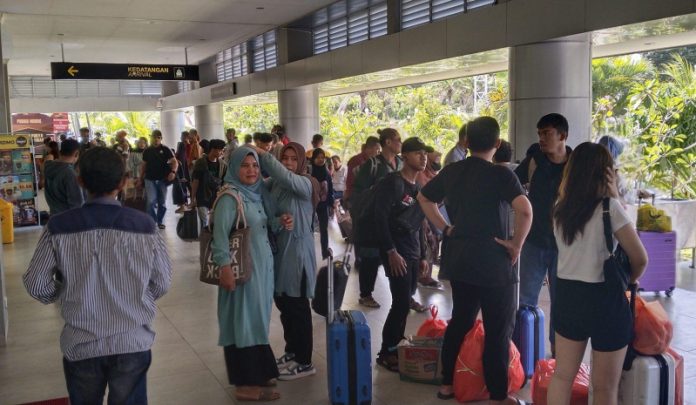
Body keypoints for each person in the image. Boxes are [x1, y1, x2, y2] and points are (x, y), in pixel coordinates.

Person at [24, 147, 172, 405]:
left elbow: (36, 285)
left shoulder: (58, 226)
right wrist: (135, 295)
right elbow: (162, 282)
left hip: (81, 344)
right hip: (132, 342)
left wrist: (64, 292)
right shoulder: (145, 226)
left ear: (80, 181)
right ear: (123, 181)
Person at [418, 116, 533, 404]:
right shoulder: (502, 175)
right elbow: (526, 211)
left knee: (460, 320)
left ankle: (447, 384)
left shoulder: (452, 171)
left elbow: (424, 198)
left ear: (466, 142)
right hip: (494, 261)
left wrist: (444, 227)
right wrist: (516, 244)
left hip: (459, 258)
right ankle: (497, 395)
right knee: (497, 330)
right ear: (497, 144)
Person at [548, 142, 647, 405]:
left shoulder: (560, 207)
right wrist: (631, 279)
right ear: (604, 172)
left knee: (562, 377)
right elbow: (640, 258)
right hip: (605, 300)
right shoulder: (610, 208)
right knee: (604, 388)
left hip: (568, 297)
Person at [212, 146, 292, 401]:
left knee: (256, 321)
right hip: (240, 273)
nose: (252, 170)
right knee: (243, 323)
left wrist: (282, 222)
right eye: (245, 165)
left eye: (255, 165)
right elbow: (219, 237)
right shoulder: (229, 196)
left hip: (260, 270)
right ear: (234, 168)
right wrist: (224, 268)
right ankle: (246, 384)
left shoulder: (257, 195)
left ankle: (260, 373)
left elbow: (266, 225)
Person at [253, 142, 321, 381]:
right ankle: (292, 353)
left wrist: (264, 155)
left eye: (293, 159)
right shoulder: (277, 184)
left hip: (298, 256)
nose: (289, 163)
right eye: (285, 159)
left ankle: (304, 361)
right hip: (279, 254)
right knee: (284, 306)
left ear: (301, 162)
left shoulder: (305, 183)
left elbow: (284, 177)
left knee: (298, 307)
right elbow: (257, 189)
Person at [513, 113, 573, 355]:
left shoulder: (576, 164)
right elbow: (510, 185)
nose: (541, 138)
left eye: (547, 133)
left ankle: (558, 352)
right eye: (539, 133)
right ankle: (521, 352)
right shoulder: (534, 161)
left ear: (563, 136)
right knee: (525, 299)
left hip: (565, 245)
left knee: (562, 303)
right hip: (534, 242)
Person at [374, 137, 429, 371]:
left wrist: (425, 255)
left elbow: (420, 224)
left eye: (424, 153)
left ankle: (395, 345)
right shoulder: (392, 183)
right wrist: (390, 252)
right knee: (400, 302)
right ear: (404, 156)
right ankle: (387, 351)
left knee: (404, 301)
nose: (423, 157)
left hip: (414, 252)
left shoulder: (417, 187)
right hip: (397, 253)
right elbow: (379, 219)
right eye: (418, 153)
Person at [353, 128, 411, 310]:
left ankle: (405, 295)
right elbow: (358, 192)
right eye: (398, 139)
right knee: (370, 257)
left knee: (393, 256)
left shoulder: (401, 162)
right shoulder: (372, 164)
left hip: (394, 221)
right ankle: (366, 294)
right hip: (372, 219)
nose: (400, 143)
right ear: (388, 142)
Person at [416, 146, 444, 289]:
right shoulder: (421, 175)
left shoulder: (434, 174)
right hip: (423, 214)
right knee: (428, 242)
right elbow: (425, 197)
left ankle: (427, 275)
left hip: (434, 212)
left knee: (434, 241)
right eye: (435, 159)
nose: (437, 163)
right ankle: (423, 275)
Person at [139, 130, 178, 229]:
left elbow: (175, 162)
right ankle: (151, 221)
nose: (156, 139)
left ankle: (160, 221)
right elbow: (143, 165)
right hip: (149, 179)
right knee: (151, 201)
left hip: (162, 180)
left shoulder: (165, 149)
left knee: (162, 203)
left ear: (161, 139)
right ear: (151, 138)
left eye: (158, 137)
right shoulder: (147, 151)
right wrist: (140, 178)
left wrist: (173, 172)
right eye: (154, 137)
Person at [190, 139, 227, 228]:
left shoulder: (223, 164)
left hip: (217, 197)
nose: (221, 152)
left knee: (215, 222)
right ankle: (204, 239)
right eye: (219, 150)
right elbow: (196, 181)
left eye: (222, 150)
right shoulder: (201, 163)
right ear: (212, 149)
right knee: (204, 222)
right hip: (202, 196)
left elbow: (224, 182)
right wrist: (193, 198)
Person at [44, 139, 84, 215]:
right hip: (67, 219)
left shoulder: (48, 166)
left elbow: (48, 160)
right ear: (76, 153)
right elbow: (77, 205)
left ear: (60, 151)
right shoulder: (70, 174)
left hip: (53, 215)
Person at [310, 148, 335, 259]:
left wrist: (331, 203)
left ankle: (325, 252)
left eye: (322, 158)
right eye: (318, 157)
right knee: (309, 228)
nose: (321, 160)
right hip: (310, 205)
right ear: (313, 158)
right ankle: (308, 252)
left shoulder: (326, 172)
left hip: (323, 204)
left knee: (324, 229)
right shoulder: (309, 171)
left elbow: (330, 189)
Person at [344, 136, 380, 202]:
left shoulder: (372, 162)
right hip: (357, 198)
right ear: (371, 148)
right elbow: (351, 182)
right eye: (377, 150)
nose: (378, 153)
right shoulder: (356, 160)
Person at [174, 131, 192, 213]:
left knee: (181, 186)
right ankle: (186, 204)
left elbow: (182, 159)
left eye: (182, 136)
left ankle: (184, 205)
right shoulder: (187, 145)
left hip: (183, 169)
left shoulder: (183, 145)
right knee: (186, 186)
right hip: (185, 169)